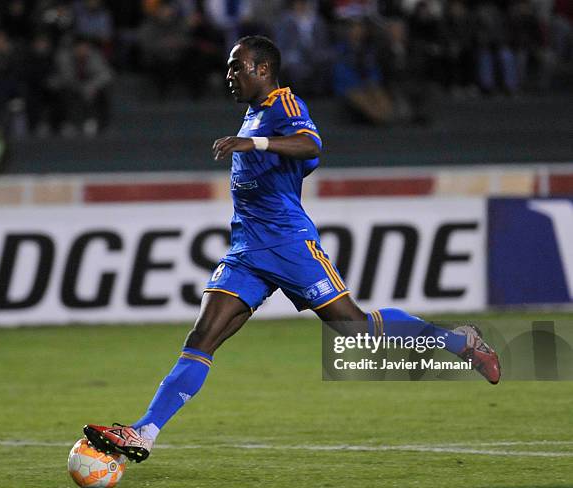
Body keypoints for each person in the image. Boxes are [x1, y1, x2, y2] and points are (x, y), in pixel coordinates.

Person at [83, 35, 501, 463]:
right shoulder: (252, 114)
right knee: (202, 337)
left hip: (288, 244)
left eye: (236, 66)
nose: (228, 75)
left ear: (262, 69)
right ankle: (144, 432)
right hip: (247, 249)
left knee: (353, 328)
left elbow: (312, 144)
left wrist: (255, 144)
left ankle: (458, 341)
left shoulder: (284, 104)